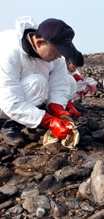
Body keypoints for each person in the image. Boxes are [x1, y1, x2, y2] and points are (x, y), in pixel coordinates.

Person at [0, 16, 80, 147]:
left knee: (70, 81)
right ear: (39, 43)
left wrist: (57, 108)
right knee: (37, 83)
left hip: (23, 93)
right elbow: (9, 99)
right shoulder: (9, 51)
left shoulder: (56, 57)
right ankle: (10, 126)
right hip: (4, 99)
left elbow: (59, 84)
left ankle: (33, 115)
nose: (60, 56)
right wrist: (49, 121)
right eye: (56, 51)